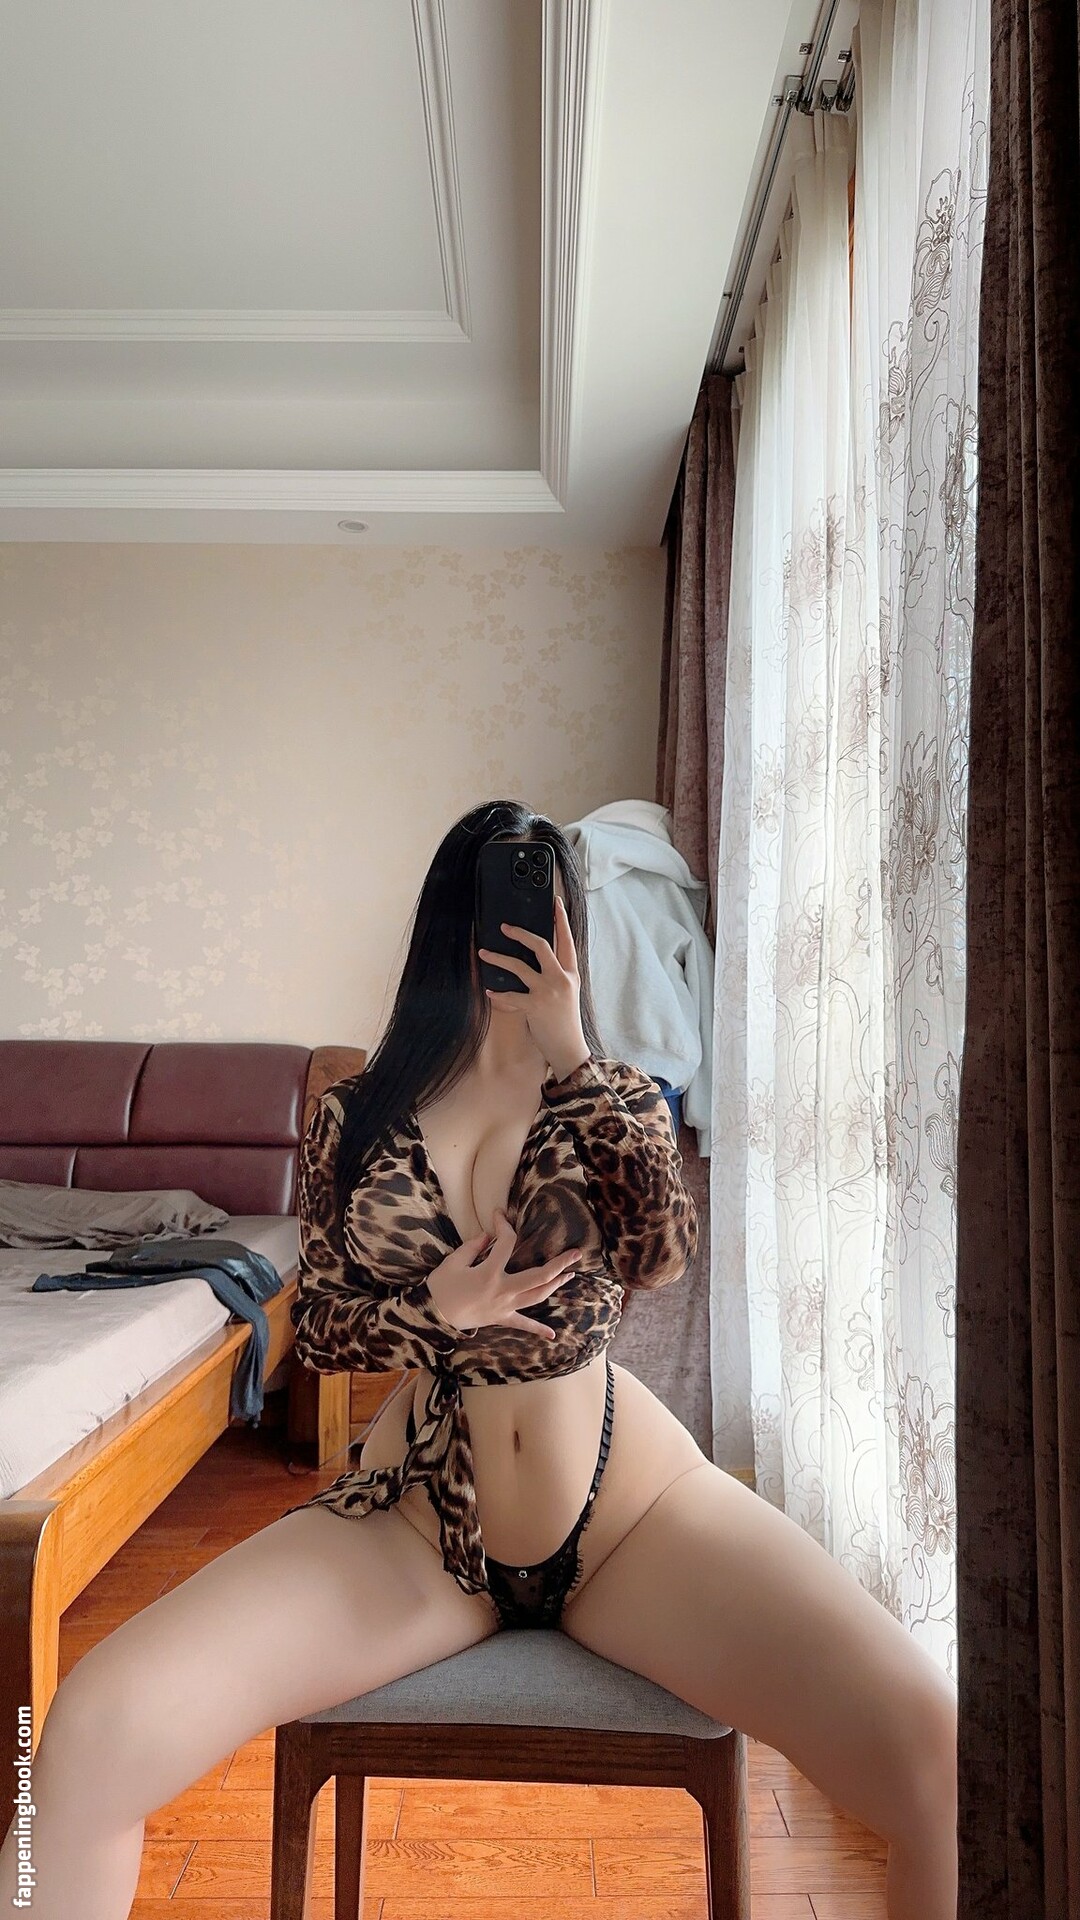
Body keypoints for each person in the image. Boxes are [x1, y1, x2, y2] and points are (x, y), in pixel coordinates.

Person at [0, 800, 958, 1920]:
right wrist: (432, 1311)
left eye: (543, 910)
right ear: (447, 925)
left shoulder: (615, 1096)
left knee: (934, 1755)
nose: (518, 935)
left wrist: (575, 1055)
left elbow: (661, 1256)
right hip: (416, 1524)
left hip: (629, 1516)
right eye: (494, 907)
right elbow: (322, 1330)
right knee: (89, 1734)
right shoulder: (355, 1114)